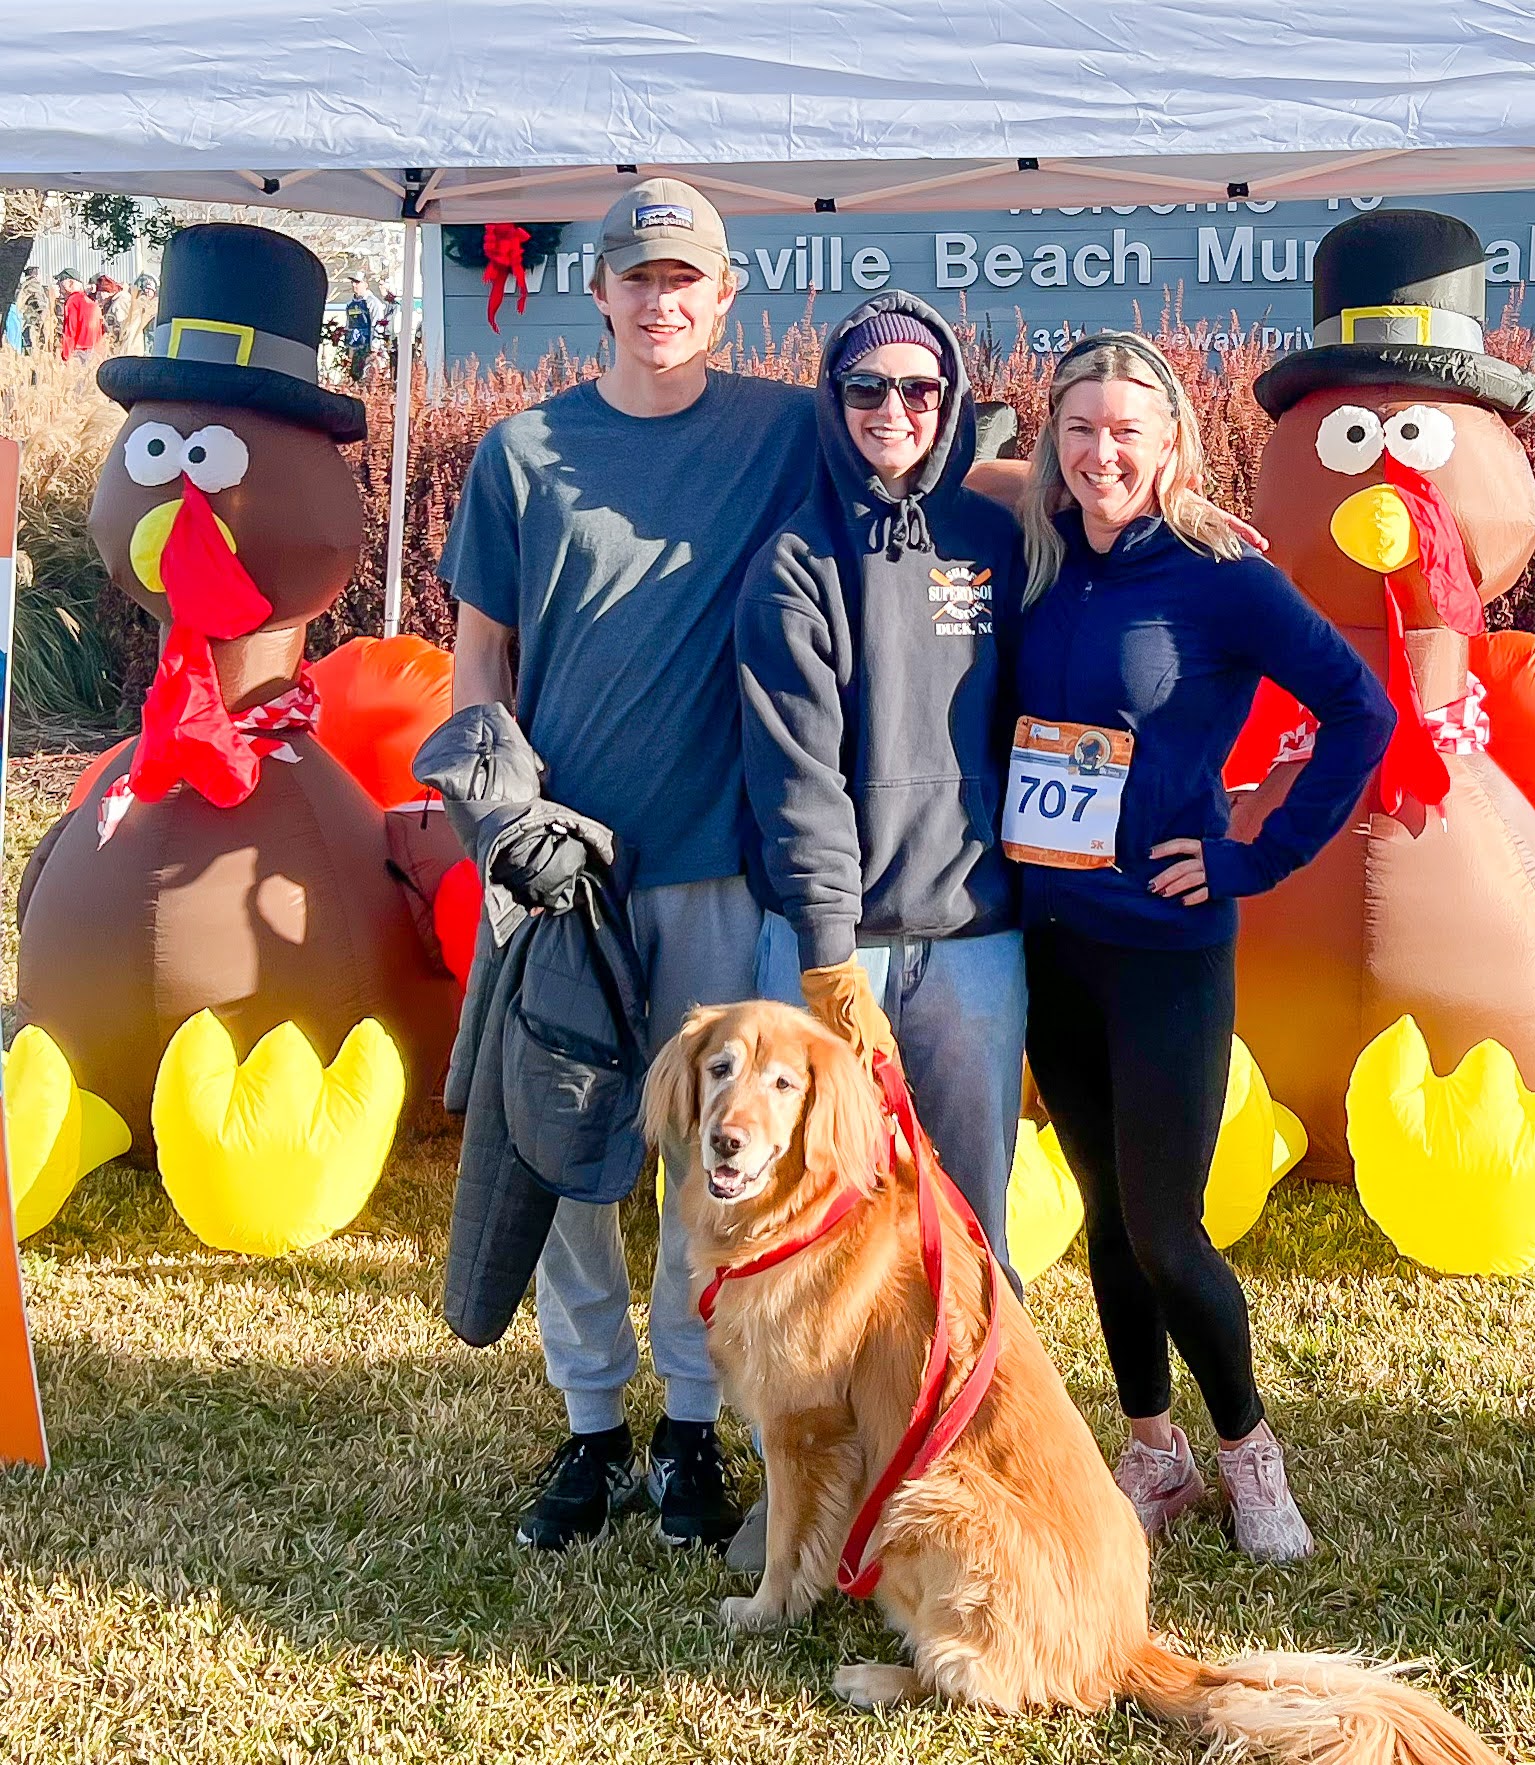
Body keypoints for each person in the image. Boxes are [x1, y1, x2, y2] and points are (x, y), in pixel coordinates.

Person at [439, 178, 815, 1555]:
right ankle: (593, 1426)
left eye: (685, 280)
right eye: (636, 278)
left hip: (719, 863)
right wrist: (501, 817)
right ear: (595, 293)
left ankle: (691, 1433)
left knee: (711, 1165)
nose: (660, 301)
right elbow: (481, 651)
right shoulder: (522, 452)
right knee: (569, 1154)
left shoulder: (781, 429)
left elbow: (934, 463)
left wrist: (1165, 501)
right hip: (564, 885)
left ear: (726, 297)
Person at [1013, 332, 1390, 1561]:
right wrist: (1038, 475)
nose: (1101, 451)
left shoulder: (1221, 574)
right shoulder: (1036, 550)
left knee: (1168, 1228)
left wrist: (1253, 854)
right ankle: (1152, 1452)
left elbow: (1359, 709)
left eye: (1129, 429)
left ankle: (1248, 1452)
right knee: (1106, 1224)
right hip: (1047, 941)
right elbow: (956, 468)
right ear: (1048, 440)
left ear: (1173, 438)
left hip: (1165, 945)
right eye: (1078, 428)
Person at [737, 290, 1026, 1270]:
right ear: (834, 397)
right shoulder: (793, 561)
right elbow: (796, 777)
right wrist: (825, 953)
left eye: (918, 388)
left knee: (972, 1212)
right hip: (829, 941)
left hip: (973, 941)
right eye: (866, 386)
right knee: (814, 1215)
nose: (892, 409)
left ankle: (974, 1407)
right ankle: (825, 1421)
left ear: (951, 403)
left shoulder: (994, 544)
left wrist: (1184, 519)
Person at [55, 270, 103, 361]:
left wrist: (65, 356)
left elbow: (70, 331)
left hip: (79, 351)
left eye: (60, 280)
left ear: (70, 283)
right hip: (94, 350)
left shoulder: (73, 301)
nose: (58, 284)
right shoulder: (90, 302)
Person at [342, 275, 379, 383]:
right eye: (353, 282)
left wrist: (374, 348)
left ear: (366, 284)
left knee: (368, 380)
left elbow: (377, 325)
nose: (354, 285)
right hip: (353, 347)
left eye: (357, 282)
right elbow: (348, 325)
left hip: (367, 349)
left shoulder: (372, 303)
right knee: (353, 378)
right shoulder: (350, 304)